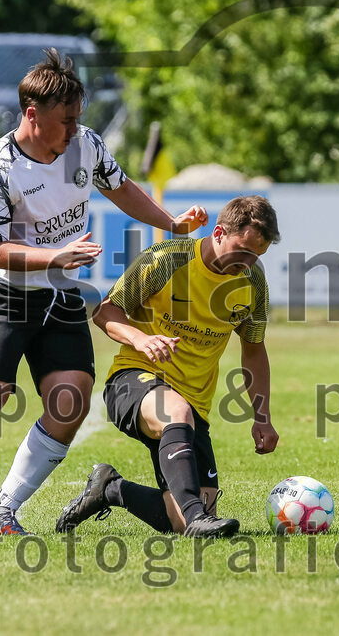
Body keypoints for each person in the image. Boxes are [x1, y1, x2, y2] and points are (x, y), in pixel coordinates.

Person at [0, 48, 208, 537]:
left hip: (59, 293)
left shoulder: (87, 145)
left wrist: (170, 221)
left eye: (78, 120)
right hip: (4, 294)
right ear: (32, 114)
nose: (74, 130)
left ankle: (1, 511)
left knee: (70, 400)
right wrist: (55, 256)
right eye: (66, 121)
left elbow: (120, 188)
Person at [55, 195, 280, 538]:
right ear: (219, 232)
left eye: (257, 256)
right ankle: (197, 519)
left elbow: (252, 350)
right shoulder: (166, 260)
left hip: (195, 403)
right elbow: (104, 312)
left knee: (179, 518)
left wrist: (261, 417)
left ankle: (111, 488)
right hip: (133, 380)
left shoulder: (252, 282)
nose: (247, 263)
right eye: (243, 251)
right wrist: (140, 339)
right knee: (176, 411)